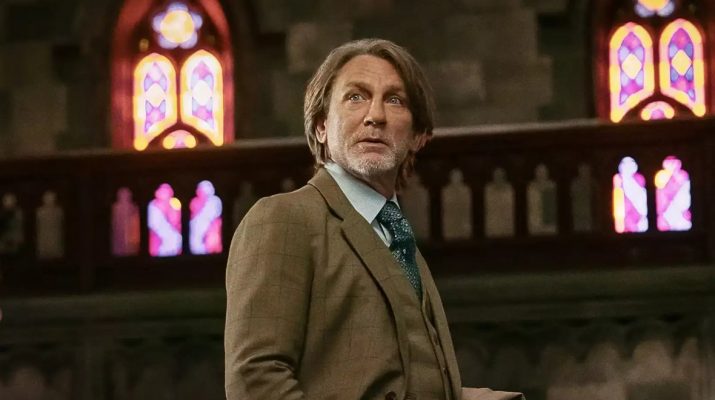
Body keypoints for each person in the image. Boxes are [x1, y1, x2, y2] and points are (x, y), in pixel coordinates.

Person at [225, 38, 523, 400]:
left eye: (394, 100)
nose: (375, 115)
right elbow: (255, 379)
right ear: (321, 126)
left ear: (418, 136)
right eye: (355, 97)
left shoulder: (397, 236)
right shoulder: (283, 219)